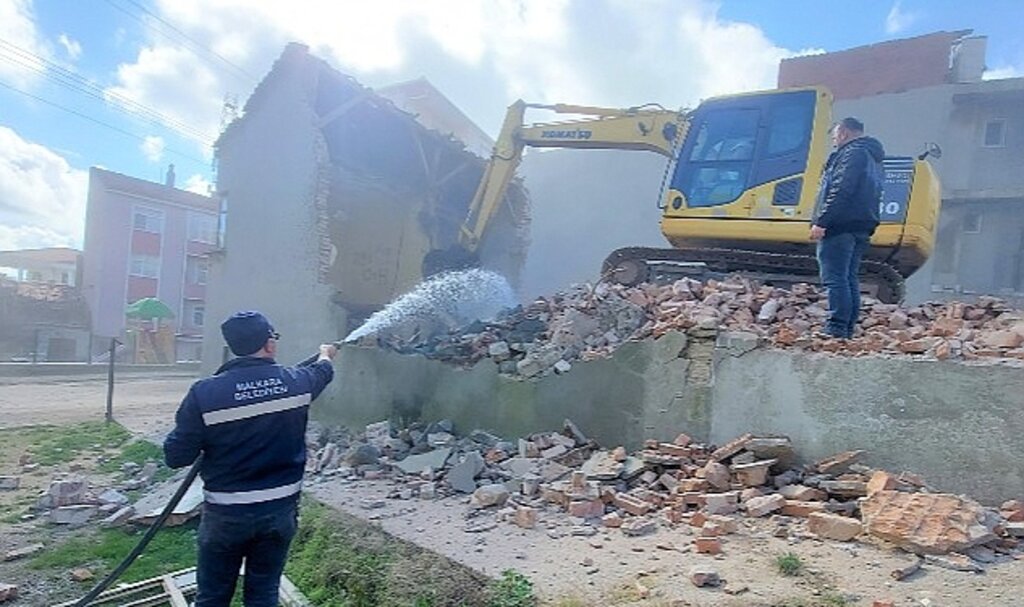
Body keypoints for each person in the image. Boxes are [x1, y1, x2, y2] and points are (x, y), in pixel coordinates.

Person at [164, 311, 337, 606]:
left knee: (213, 597)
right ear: (270, 344)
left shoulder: (204, 393)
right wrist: (325, 354)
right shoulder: (297, 382)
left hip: (225, 517)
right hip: (279, 513)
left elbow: (176, 456)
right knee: (263, 594)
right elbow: (324, 372)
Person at [810, 117, 884, 339]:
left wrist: (822, 221)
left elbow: (841, 189)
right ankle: (846, 328)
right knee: (848, 277)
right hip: (861, 225)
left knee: (835, 278)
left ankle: (836, 328)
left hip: (840, 226)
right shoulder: (873, 157)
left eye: (835, 136)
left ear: (843, 133)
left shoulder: (851, 154)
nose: (834, 141)